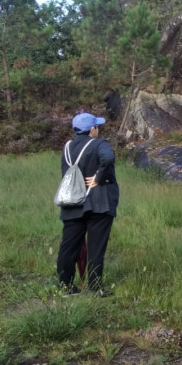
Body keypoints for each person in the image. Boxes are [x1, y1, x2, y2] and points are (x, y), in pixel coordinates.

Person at [56, 112, 119, 296]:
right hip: (99, 204)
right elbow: (107, 158)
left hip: (72, 202)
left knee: (68, 247)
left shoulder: (67, 147)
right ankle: (94, 287)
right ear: (92, 129)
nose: (98, 129)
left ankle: (65, 287)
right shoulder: (100, 144)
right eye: (97, 126)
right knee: (96, 248)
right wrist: (98, 178)